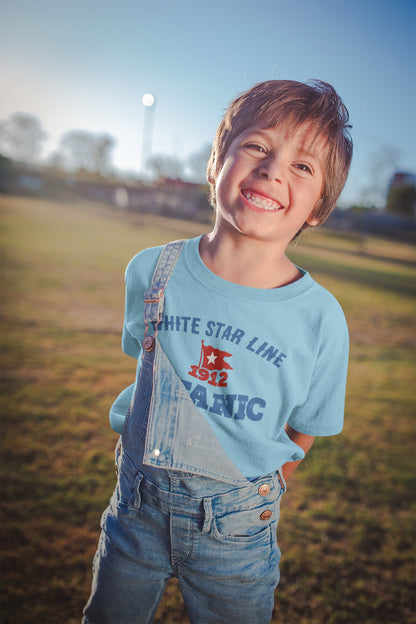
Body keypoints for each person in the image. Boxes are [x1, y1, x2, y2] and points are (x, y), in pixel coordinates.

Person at [83, 79, 353, 624]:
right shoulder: (150, 270)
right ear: (216, 163)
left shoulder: (320, 317)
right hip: (135, 510)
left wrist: (260, 489)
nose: (274, 170)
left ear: (319, 206)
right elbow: (148, 362)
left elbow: (307, 425)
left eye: (303, 166)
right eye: (257, 146)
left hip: (235, 532)